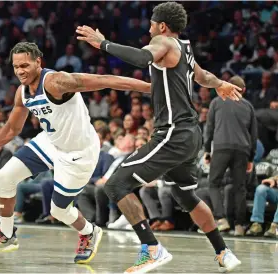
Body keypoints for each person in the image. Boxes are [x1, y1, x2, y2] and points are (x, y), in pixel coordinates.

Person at [76, 2, 242, 273]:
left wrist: (103, 43)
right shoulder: (185, 49)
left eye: (152, 24)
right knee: (185, 196)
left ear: (162, 26)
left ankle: (152, 249)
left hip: (173, 133)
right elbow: (203, 76)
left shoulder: (163, 43)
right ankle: (223, 252)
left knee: (116, 185)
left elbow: (142, 59)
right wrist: (220, 84)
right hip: (190, 135)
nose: (149, 28)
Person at [0, 42, 150, 264]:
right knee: (5, 176)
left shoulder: (57, 81)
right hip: (50, 142)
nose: (20, 71)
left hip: (79, 152)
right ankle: (6, 235)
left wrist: (150, 88)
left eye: (24, 65)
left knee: (59, 210)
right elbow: (13, 129)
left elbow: (105, 80)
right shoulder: (22, 93)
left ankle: (90, 231)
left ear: (38, 62)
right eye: (15, 67)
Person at [204, 75, 257, 236]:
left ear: (227, 86)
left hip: (221, 147)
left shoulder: (216, 102)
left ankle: (221, 220)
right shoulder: (248, 106)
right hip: (242, 150)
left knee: (213, 183)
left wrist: (207, 149)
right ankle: (240, 226)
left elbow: (209, 128)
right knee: (240, 187)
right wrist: (251, 158)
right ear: (244, 90)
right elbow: (253, 134)